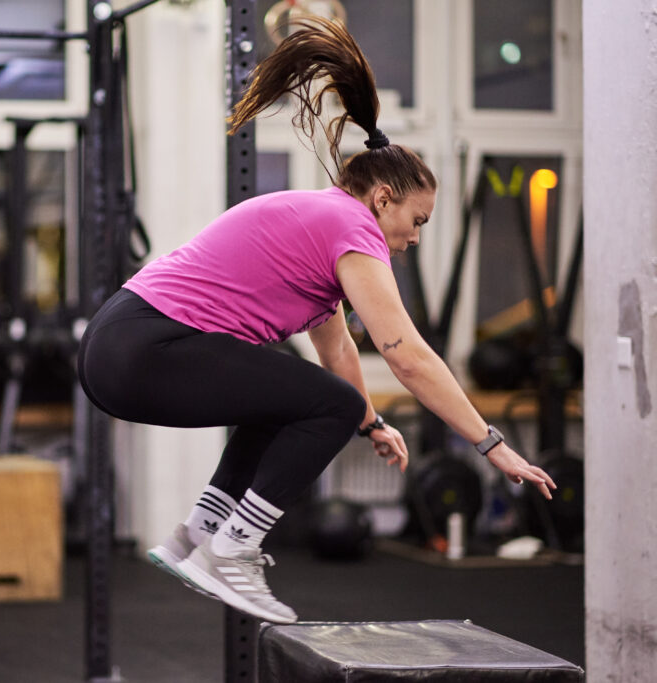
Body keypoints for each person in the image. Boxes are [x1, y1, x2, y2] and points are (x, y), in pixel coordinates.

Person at [77, 17, 556, 625]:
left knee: (298, 399)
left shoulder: (320, 230)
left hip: (116, 344)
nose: (413, 238)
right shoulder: (353, 231)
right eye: (417, 220)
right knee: (322, 403)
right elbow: (406, 354)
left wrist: (370, 420)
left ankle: (195, 539)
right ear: (383, 199)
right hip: (147, 348)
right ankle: (233, 549)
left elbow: (337, 353)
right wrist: (492, 445)